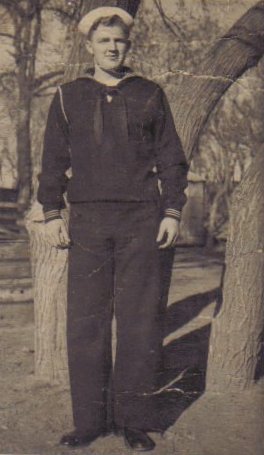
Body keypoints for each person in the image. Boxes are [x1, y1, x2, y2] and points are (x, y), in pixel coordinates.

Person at [37, 6, 188, 452]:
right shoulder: (67, 96)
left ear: (128, 45)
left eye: (119, 41)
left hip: (141, 219)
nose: (112, 48)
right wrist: (50, 212)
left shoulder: (150, 94)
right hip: (87, 221)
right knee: (87, 322)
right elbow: (52, 162)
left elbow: (172, 158)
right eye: (103, 41)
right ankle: (89, 422)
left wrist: (172, 211)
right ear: (89, 47)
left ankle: (134, 421)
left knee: (140, 323)